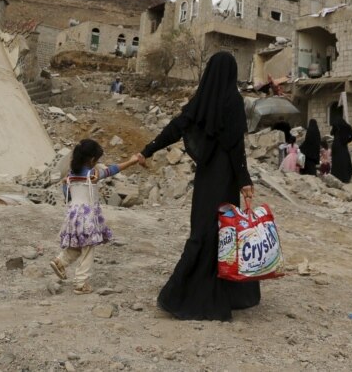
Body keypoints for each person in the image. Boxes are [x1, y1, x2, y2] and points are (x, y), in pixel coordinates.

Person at [138, 51, 260, 321]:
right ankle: (209, 295)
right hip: (225, 179)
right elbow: (236, 146)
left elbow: (176, 127)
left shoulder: (201, 100)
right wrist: (244, 180)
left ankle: (187, 294)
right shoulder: (233, 101)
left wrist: (148, 149)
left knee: (202, 231)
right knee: (223, 233)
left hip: (206, 178)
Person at [51, 139, 140, 294]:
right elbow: (112, 170)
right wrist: (131, 162)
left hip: (72, 216)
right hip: (87, 217)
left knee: (78, 245)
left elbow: (67, 196)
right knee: (88, 250)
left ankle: (60, 261)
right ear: (92, 160)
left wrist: (65, 183)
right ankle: (80, 283)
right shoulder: (93, 174)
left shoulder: (70, 175)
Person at [328, 117, 352, 183]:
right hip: (343, 145)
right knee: (345, 161)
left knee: (336, 161)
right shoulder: (347, 126)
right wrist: (347, 141)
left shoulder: (336, 126)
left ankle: (336, 177)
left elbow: (331, 133)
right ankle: (345, 178)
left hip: (335, 145)